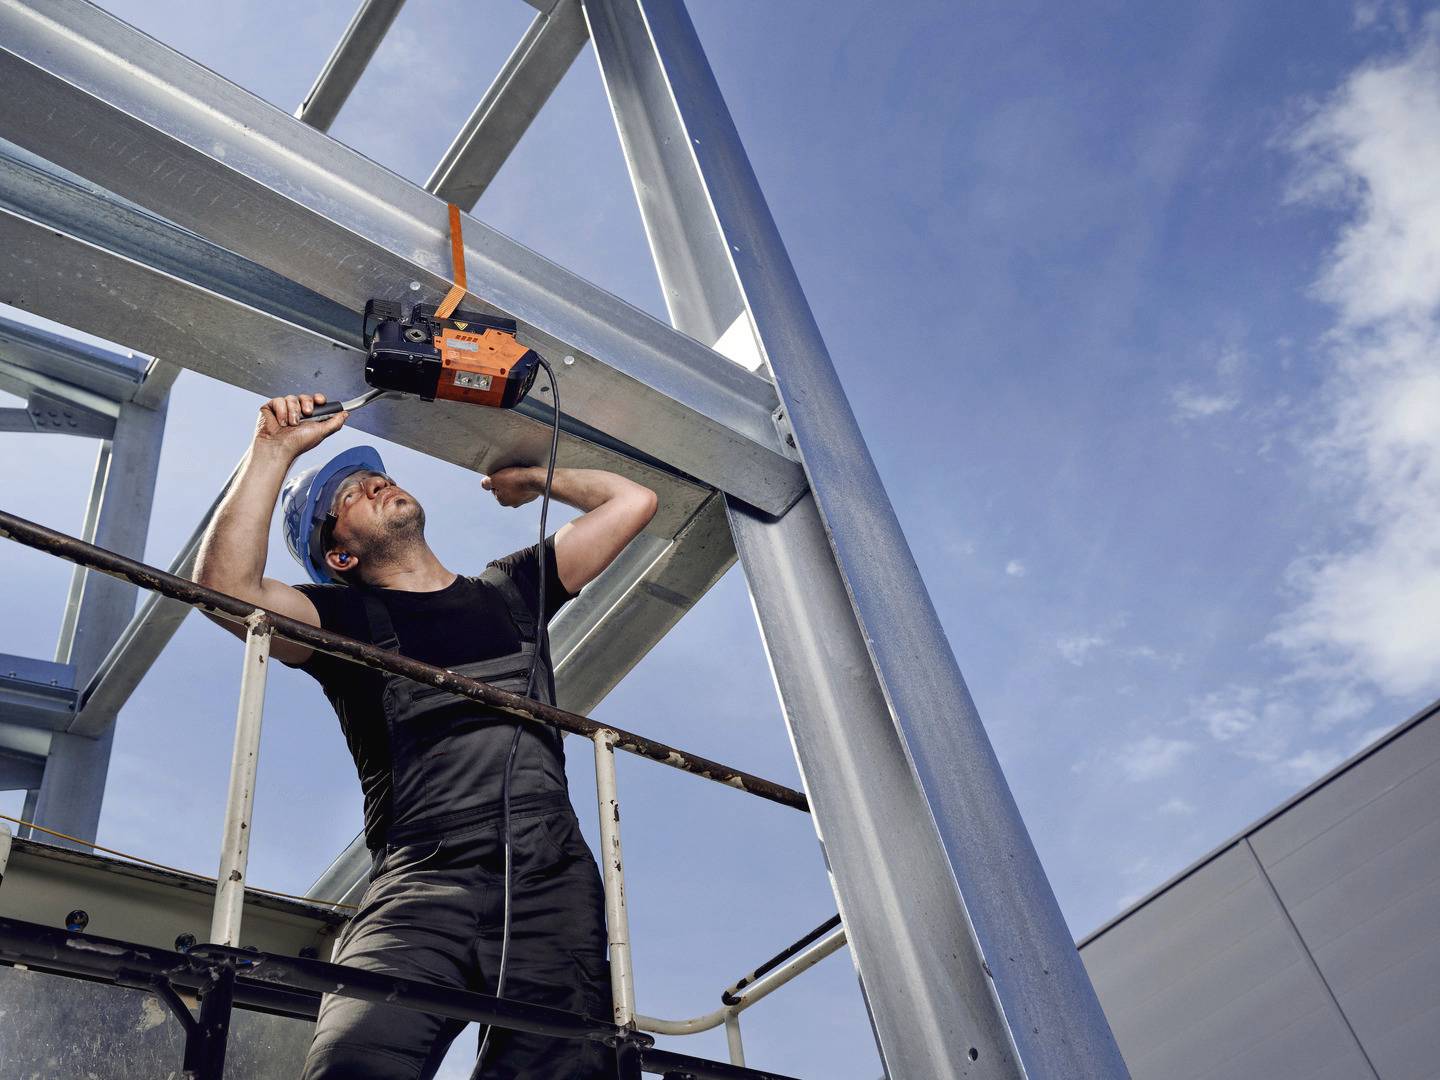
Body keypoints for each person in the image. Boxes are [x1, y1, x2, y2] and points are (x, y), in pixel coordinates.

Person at [194, 391, 657, 1079]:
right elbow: (225, 589)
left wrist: (529, 480)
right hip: (421, 884)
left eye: (372, 475)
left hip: (550, 879)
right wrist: (273, 449)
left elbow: (632, 503)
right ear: (339, 556)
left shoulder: (511, 590)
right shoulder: (340, 621)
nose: (372, 483)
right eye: (346, 495)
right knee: (353, 1062)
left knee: (565, 1070)